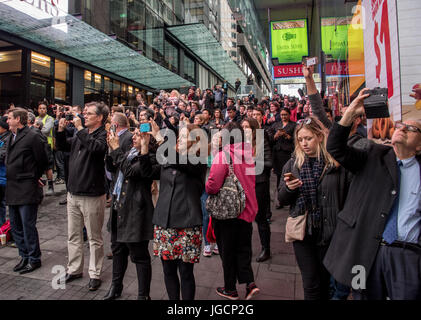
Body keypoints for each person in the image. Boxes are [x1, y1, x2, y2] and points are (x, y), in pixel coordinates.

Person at [324, 88, 421, 300]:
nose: (402, 129)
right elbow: (335, 148)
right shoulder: (374, 155)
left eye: (411, 128)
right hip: (366, 252)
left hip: (407, 256)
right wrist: (350, 113)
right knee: (362, 295)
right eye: (400, 126)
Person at [278, 116, 351, 300]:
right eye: (300, 139)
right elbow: (281, 199)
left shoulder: (334, 163)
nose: (304, 143)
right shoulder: (293, 163)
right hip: (303, 232)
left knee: (326, 282)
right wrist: (289, 189)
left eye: (308, 138)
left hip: (330, 232)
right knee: (310, 283)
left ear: (319, 137)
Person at [142, 121, 208, 300]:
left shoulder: (197, 161)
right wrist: (144, 147)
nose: (178, 140)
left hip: (187, 225)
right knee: (168, 270)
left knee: (186, 272)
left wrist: (159, 137)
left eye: (184, 136)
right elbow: (147, 172)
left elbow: (177, 160)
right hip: (164, 223)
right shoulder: (170, 158)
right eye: (179, 137)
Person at [56, 101, 109, 291]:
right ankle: (75, 268)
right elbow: (63, 147)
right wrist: (61, 131)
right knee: (73, 234)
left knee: (94, 237)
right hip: (73, 193)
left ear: (100, 117)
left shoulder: (103, 134)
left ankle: (95, 273)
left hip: (92, 194)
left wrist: (78, 129)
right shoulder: (82, 134)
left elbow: (97, 149)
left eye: (88, 113)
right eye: (84, 113)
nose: (84, 116)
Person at [206, 122, 260, 300]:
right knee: (243, 249)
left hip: (228, 211)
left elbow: (213, 185)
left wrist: (206, 185)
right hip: (247, 209)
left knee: (227, 251)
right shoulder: (249, 154)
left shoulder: (224, 155)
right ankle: (250, 283)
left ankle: (230, 288)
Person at [103, 128, 154, 300]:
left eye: (138, 134)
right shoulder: (128, 152)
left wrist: (117, 150)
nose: (133, 136)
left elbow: (130, 172)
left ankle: (143, 295)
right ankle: (115, 287)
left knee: (139, 256)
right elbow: (112, 168)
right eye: (134, 133)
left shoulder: (149, 158)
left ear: (148, 139)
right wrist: (111, 150)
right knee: (118, 250)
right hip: (119, 208)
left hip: (135, 212)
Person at [6, 108, 48, 274]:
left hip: (26, 187)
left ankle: (34, 258)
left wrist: (33, 176)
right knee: (15, 225)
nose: (7, 121)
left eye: (9, 118)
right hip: (12, 187)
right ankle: (23, 255)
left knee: (27, 224)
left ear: (18, 119)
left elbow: (42, 159)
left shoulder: (32, 136)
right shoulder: (11, 136)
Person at [241, 118, 273, 262]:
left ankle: (266, 248)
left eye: (247, 127)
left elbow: (268, 162)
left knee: (260, 218)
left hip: (259, 183)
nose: (244, 129)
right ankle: (246, 249)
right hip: (244, 183)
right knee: (245, 218)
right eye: (243, 127)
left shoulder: (260, 140)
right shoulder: (239, 143)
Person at [269, 108, 296, 203]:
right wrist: (276, 135)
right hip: (277, 154)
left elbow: (296, 140)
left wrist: (287, 136)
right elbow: (271, 140)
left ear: (289, 115)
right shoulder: (276, 125)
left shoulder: (294, 125)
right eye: (282, 115)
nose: (283, 117)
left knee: (289, 174)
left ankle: (289, 195)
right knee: (279, 176)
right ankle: (280, 198)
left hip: (288, 153)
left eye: (285, 115)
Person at [36, 102, 55, 195]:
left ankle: (51, 186)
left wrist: (35, 130)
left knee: (48, 167)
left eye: (44, 108)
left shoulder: (50, 119)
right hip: (37, 145)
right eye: (40, 108)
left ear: (46, 110)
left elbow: (46, 130)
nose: (42, 110)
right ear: (37, 109)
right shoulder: (35, 119)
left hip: (47, 144)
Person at [0, 116, 10, 227]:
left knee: (1, 204)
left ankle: (2, 227)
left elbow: (2, 155)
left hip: (3, 177)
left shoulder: (7, 139)